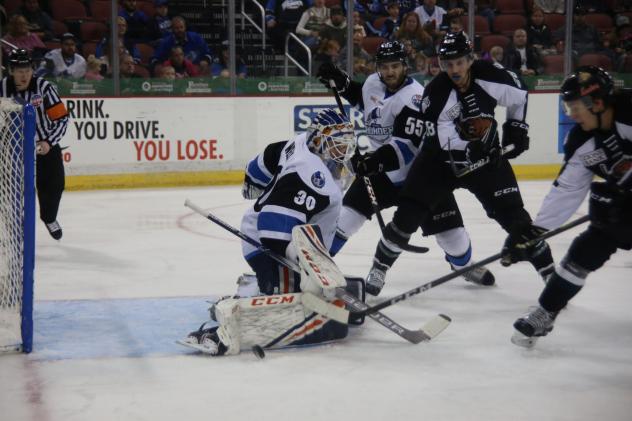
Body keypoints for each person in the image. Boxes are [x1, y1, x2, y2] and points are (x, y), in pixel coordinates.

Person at [361, 32, 555, 293]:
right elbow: (445, 142)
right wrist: (475, 142)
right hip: (439, 162)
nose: (454, 70)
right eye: (448, 64)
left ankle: (551, 277)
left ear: (470, 59)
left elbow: (519, 97)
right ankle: (379, 268)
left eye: (460, 62)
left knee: (515, 218)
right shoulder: (435, 94)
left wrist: (516, 128)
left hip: (485, 160)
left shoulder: (492, 76)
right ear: (441, 64)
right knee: (407, 215)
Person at [317, 40, 495, 296]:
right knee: (344, 219)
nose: (390, 72)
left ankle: (464, 266)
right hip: (381, 172)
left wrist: (372, 162)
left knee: (455, 242)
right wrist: (342, 83)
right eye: (385, 67)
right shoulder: (373, 83)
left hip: (422, 175)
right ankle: (316, 265)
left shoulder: (416, 98)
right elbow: (364, 101)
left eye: (395, 66)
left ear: (405, 66)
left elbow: (405, 147)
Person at [180, 109, 360, 356]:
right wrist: (306, 266)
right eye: (338, 143)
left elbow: (262, 162)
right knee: (293, 298)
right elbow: (274, 231)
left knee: (312, 292)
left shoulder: (299, 144)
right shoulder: (310, 176)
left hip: (277, 236)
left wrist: (252, 183)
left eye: (347, 142)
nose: (345, 150)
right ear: (319, 141)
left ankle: (250, 290)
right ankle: (222, 331)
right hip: (267, 244)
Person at [502, 66, 632, 347]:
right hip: (624, 211)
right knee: (583, 251)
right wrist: (534, 231)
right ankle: (545, 312)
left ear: (597, 103)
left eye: (575, 107)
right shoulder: (581, 140)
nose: (570, 114)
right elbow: (568, 189)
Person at [0, 49, 69, 240]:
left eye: (27, 69)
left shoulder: (44, 88)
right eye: (19, 70)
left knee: (55, 185)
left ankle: (49, 217)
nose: (24, 74)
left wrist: (48, 142)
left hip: (44, 145)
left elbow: (62, 119)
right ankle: (13, 225)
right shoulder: (2, 88)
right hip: (13, 149)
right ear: (11, 70)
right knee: (11, 189)